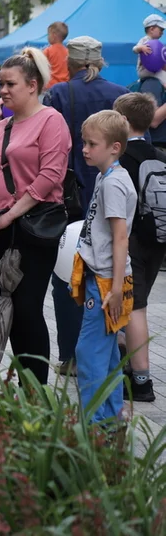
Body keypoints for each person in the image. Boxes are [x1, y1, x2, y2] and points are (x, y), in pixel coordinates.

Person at [0, 53, 72, 385]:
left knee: (28, 307)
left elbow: (49, 177)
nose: (2, 90)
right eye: (0, 83)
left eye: (10, 84)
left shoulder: (51, 121)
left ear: (33, 85)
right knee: (11, 307)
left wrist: (10, 215)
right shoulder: (0, 126)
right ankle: (24, 389)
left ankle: (36, 391)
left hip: (34, 228)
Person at [43, 36, 128, 376]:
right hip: (117, 199)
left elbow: (54, 148)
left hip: (73, 200)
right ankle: (113, 350)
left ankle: (72, 356)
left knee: (67, 277)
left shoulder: (60, 94)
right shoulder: (120, 93)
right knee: (113, 273)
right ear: (100, 60)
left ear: (71, 62)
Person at [71, 110, 136, 423]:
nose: (85, 149)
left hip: (106, 279)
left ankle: (96, 424)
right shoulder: (105, 177)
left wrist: (113, 287)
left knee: (89, 352)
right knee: (107, 352)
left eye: (92, 144)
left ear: (115, 148)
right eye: (84, 142)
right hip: (105, 277)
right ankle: (111, 416)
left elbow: (120, 237)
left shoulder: (113, 184)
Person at [112, 93, 165, 402]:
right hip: (157, 241)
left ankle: (142, 382)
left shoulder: (123, 159)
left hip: (130, 241)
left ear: (122, 121)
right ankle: (129, 363)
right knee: (135, 306)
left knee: (136, 309)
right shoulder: (159, 156)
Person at [135, 14, 166, 88]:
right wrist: (141, 48)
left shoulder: (157, 44)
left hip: (154, 69)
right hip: (145, 70)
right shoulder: (145, 40)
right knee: (164, 77)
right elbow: (134, 49)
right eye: (161, 30)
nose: (162, 33)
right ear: (151, 29)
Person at [43, 21, 70, 89]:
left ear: (54, 35)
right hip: (65, 87)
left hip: (51, 87)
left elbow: (41, 68)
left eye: (48, 34)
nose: (48, 37)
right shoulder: (68, 52)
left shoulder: (48, 51)